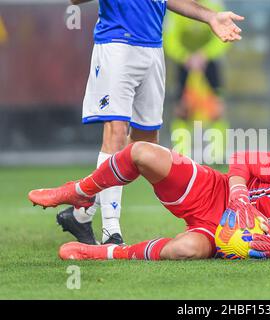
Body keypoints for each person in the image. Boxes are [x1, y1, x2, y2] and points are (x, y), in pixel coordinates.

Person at [60, 0, 244, 245]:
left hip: (152, 49)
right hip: (116, 44)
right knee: (116, 132)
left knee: (145, 148)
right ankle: (111, 232)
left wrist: (210, 17)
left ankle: (83, 211)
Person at [27, 142, 270, 267]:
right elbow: (242, 160)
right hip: (216, 191)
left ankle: (102, 252)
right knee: (142, 153)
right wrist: (239, 197)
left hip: (220, 236)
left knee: (185, 250)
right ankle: (82, 191)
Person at [164, 0, 230, 162]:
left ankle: (216, 156)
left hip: (209, 62)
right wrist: (185, 57)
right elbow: (169, 39)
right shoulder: (177, 6)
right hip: (185, 62)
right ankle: (181, 155)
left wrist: (204, 55)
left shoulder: (214, 5)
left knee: (217, 108)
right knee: (182, 109)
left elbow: (223, 37)